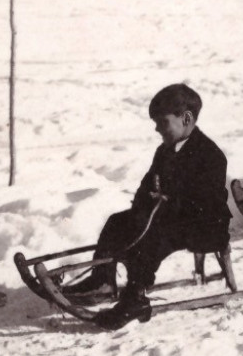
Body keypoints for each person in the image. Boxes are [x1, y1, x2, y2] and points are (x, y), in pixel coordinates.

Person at [67, 84, 231, 329]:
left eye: (162, 122)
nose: (156, 129)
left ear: (186, 118)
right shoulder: (163, 151)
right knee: (118, 221)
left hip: (205, 225)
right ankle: (101, 278)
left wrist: (165, 206)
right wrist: (140, 210)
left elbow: (204, 204)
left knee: (153, 236)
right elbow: (147, 186)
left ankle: (135, 298)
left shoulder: (210, 156)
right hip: (171, 218)